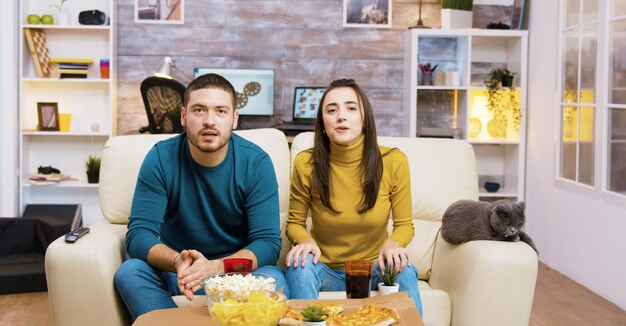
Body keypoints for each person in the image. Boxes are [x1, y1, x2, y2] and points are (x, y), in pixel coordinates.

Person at [114, 73, 288, 321]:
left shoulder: (256, 162)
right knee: (129, 272)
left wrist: (216, 267)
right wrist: (176, 261)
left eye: (220, 111)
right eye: (199, 110)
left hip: (235, 275)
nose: (209, 121)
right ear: (184, 117)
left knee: (276, 279)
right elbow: (139, 234)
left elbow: (268, 244)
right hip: (180, 272)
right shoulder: (161, 158)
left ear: (234, 119)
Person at [284, 78, 423, 316]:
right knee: (300, 265)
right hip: (324, 269)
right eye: (331, 110)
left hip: (373, 270)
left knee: (405, 267)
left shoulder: (393, 161)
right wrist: (305, 241)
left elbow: (404, 225)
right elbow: (295, 223)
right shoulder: (306, 163)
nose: (341, 116)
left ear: (365, 118)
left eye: (351, 108)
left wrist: (392, 243)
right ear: (323, 122)